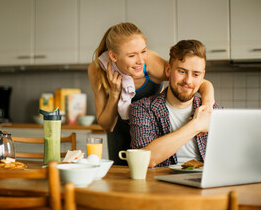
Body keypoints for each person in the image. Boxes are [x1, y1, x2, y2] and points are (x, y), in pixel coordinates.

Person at [88, 22, 215, 165]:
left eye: (143, 51)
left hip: (150, 132)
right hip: (119, 132)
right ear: (113, 56)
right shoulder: (98, 70)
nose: (141, 60)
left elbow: (193, 82)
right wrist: (115, 93)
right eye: (131, 55)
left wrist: (209, 105)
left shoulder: (151, 64)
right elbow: (106, 125)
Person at [129, 39, 222, 168]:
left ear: (202, 77)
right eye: (182, 72)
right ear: (168, 70)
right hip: (161, 184)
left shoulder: (214, 112)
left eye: (196, 74)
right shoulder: (142, 108)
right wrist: (196, 125)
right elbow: (144, 160)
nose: (188, 81)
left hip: (204, 184)